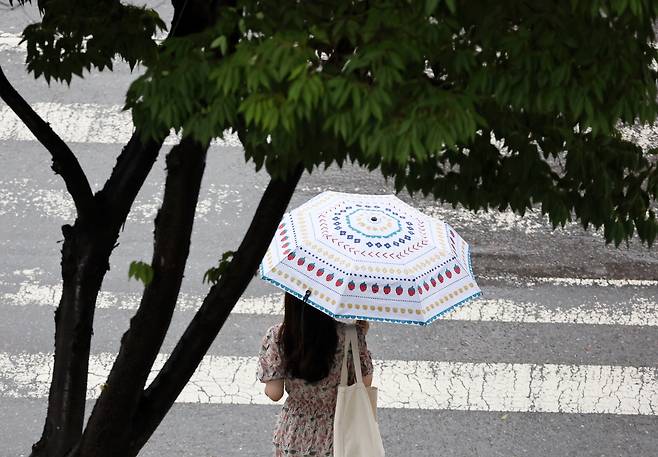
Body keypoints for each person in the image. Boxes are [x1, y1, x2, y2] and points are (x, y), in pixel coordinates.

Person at [257, 292, 373, 457]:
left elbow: (275, 393)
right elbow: (365, 382)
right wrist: (360, 333)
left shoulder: (278, 336)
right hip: (337, 431)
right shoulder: (350, 335)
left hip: (294, 432)